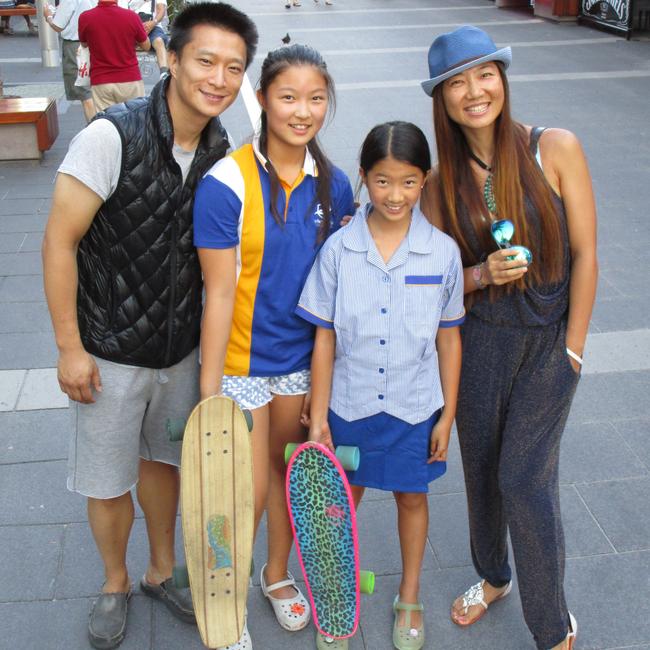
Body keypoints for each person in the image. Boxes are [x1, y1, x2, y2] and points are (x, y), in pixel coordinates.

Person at [41, 4, 258, 649]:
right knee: (109, 480)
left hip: (179, 350)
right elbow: (59, 243)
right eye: (205, 61)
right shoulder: (112, 136)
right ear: (170, 56)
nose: (217, 78)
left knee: (165, 464)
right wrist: (69, 347)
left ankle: (163, 570)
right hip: (108, 351)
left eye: (233, 68)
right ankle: (114, 582)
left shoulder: (222, 147)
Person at [419, 25, 597, 650]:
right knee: (483, 474)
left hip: (549, 342)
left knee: (524, 478)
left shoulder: (556, 147)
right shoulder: (441, 184)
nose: (475, 92)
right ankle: (494, 576)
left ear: (503, 77)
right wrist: (479, 273)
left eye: (484, 74)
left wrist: (573, 348)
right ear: (441, 99)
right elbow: (439, 283)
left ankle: (554, 629)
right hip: (481, 344)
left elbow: (587, 252)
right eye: (457, 83)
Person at [193, 43, 355, 650]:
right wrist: (209, 396)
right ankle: (225, 603)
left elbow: (338, 290)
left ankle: (276, 575)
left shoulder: (335, 188)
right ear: (261, 100)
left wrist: (325, 381)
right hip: (239, 364)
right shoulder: (225, 182)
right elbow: (217, 294)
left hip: (299, 365)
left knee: (291, 475)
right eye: (288, 97)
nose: (302, 111)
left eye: (316, 99)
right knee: (244, 492)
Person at [298, 121, 465, 650]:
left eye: (409, 182)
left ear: (425, 181)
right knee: (340, 502)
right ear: (364, 178)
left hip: (416, 407)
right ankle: (337, 597)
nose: (396, 195)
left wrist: (448, 415)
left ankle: (408, 595)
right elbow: (323, 338)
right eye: (384, 181)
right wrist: (320, 414)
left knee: (412, 500)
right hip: (348, 404)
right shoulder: (338, 251)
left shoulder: (442, 253)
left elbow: (449, 341)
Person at [78, 0, 150, 112]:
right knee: (136, 122)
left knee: (107, 124)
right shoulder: (131, 16)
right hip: (130, 78)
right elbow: (146, 46)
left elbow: (84, 43)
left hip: (101, 80)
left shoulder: (85, 17)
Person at [43, 0, 96, 123]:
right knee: (95, 90)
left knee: (85, 92)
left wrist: (48, 16)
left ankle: (95, 128)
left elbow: (58, 25)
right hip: (98, 40)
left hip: (77, 45)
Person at [129, 0, 170, 77]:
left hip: (154, 26)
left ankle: (164, 74)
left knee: (159, 41)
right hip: (133, 26)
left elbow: (161, 10)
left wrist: (153, 23)